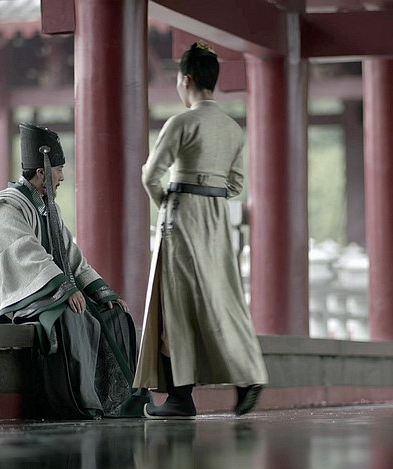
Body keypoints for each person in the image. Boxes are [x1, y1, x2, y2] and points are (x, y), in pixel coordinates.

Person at [134, 42, 268, 419]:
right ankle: (249, 373)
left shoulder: (181, 123)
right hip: (217, 218)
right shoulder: (232, 128)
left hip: (182, 215)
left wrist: (167, 201)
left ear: (187, 80)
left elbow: (150, 175)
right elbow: (235, 184)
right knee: (223, 297)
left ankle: (180, 397)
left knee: (176, 303)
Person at [0, 123, 143, 419]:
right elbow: (23, 252)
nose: (62, 177)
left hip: (50, 289)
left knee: (114, 315)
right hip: (24, 294)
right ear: (41, 172)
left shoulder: (48, 207)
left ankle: (117, 402)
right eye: (58, 169)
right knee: (70, 316)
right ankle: (80, 402)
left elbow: (71, 255)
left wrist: (99, 290)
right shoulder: (6, 206)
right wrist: (64, 288)